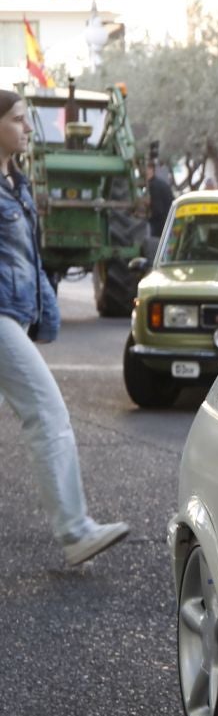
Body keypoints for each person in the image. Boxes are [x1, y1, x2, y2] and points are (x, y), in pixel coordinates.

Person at [0, 90, 129, 566]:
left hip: (13, 313)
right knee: (49, 414)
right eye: (17, 120)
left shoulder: (16, 182)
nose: (28, 128)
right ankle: (75, 531)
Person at [143, 159, 175, 240]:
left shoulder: (154, 185)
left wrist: (148, 217)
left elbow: (158, 209)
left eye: (146, 169)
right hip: (168, 218)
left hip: (161, 222)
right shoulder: (159, 183)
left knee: (157, 242)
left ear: (151, 170)